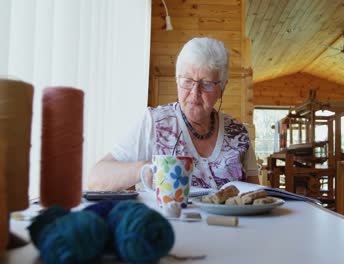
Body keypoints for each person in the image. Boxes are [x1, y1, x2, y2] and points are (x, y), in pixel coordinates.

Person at [88, 37, 259, 191]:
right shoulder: (154, 123)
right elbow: (96, 178)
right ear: (177, 81)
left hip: (231, 225)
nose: (194, 93)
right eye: (187, 81)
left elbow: (256, 197)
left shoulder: (238, 134)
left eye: (206, 84)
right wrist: (146, 169)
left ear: (222, 87)